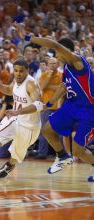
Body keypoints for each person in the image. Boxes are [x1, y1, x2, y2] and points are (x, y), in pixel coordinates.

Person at [28, 36, 94, 181]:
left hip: (89, 110)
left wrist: (28, 37)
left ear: (65, 51)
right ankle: (63, 156)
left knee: (78, 151)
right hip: (72, 105)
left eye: (58, 53)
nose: (57, 57)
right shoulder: (66, 67)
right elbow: (64, 86)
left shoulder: (77, 61)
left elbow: (53, 43)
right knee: (46, 130)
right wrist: (49, 103)